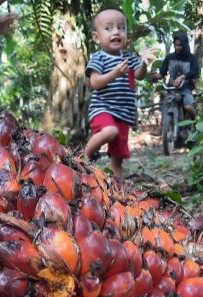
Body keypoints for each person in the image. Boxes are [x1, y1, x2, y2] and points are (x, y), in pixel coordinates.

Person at [82, 7, 158, 179]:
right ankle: (83, 157)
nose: (116, 32)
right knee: (110, 131)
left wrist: (144, 63)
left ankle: (118, 191)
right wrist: (114, 73)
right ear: (96, 37)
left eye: (121, 27)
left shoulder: (129, 58)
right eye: (108, 28)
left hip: (123, 115)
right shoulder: (98, 58)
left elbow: (139, 75)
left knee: (118, 160)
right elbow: (94, 82)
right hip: (103, 109)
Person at [150, 32, 198, 119]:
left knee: (188, 107)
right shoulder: (169, 57)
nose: (177, 47)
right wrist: (157, 76)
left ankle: (197, 122)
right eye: (176, 45)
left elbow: (195, 72)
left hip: (185, 89)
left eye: (180, 45)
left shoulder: (191, 58)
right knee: (165, 107)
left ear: (185, 45)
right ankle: (163, 128)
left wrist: (182, 77)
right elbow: (162, 73)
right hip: (171, 89)